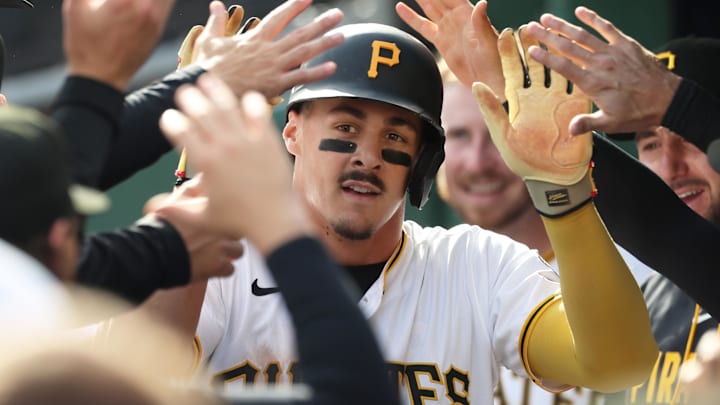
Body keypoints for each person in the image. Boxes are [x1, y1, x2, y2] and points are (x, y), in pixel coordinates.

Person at [163, 19, 658, 404]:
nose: (368, 156)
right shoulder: (224, 267)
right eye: (347, 126)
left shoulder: (475, 265)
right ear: (292, 131)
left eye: (395, 136)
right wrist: (206, 167)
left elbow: (617, 366)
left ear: (422, 159)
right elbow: (141, 363)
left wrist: (563, 192)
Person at [436, 59, 656, 405]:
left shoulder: (633, 277)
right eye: (459, 135)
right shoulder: (418, 277)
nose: (478, 163)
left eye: (498, 135)